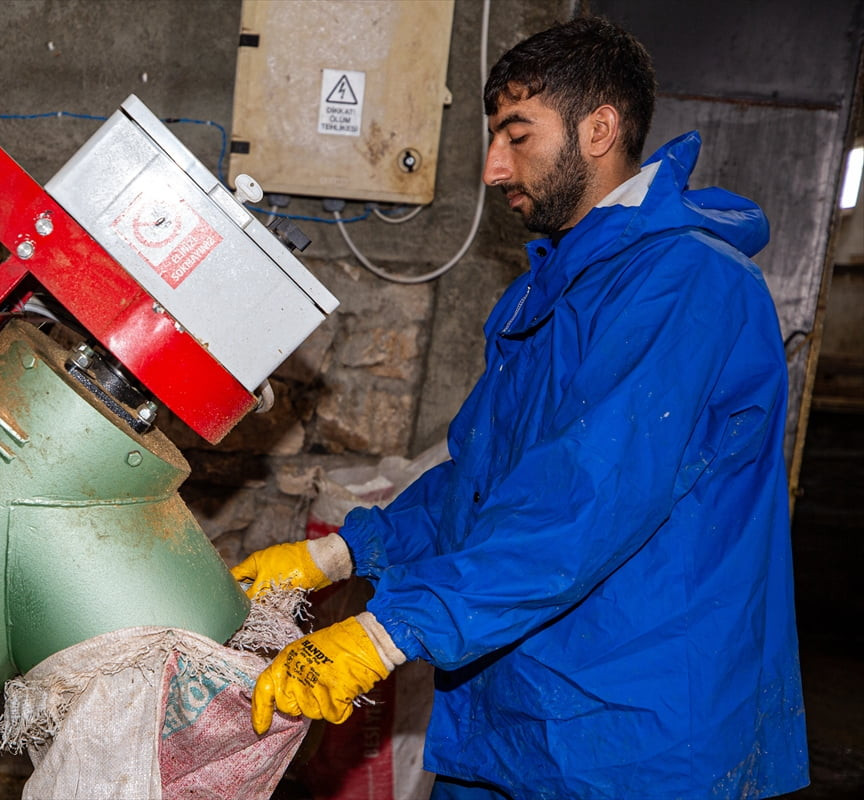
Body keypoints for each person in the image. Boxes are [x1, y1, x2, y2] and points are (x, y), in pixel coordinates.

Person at [233, 16, 809, 800]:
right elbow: (485, 481)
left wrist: (384, 632)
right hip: (517, 713)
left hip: (632, 735)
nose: (494, 167)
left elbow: (585, 501)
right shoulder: (547, 290)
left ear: (600, 128)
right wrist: (337, 556)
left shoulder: (688, 285)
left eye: (518, 135)